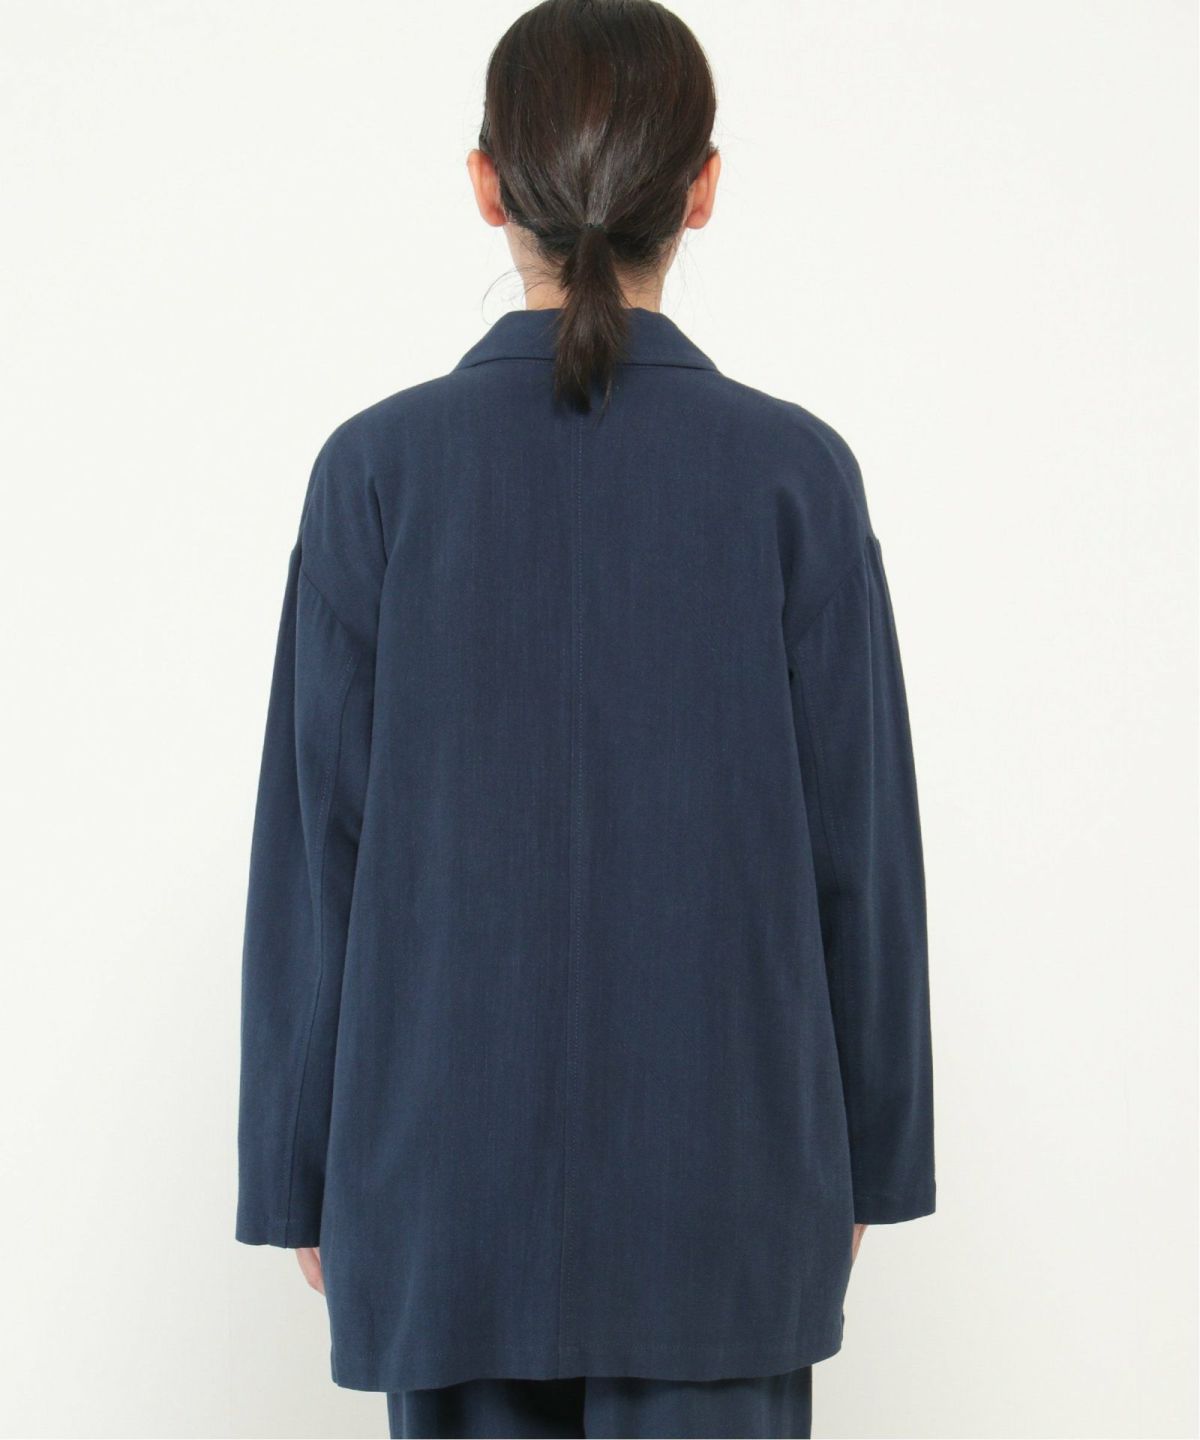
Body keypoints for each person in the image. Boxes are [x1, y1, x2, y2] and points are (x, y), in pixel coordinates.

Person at [235, 1, 936, 1436]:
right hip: (727, 1189)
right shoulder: (795, 477)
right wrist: (864, 1159)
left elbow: (319, 849)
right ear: (703, 188)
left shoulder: (375, 472)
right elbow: (859, 852)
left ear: (489, 185)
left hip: (440, 1184)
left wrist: (299, 1171)